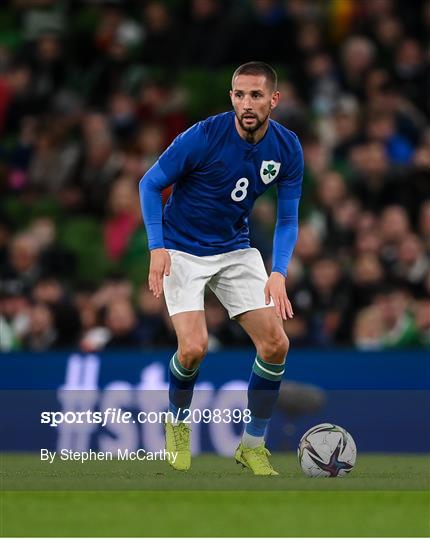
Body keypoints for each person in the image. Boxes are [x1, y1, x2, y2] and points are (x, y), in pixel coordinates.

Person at [139, 62, 303, 476]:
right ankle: (176, 422)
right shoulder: (203, 135)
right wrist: (157, 247)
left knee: (276, 344)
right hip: (182, 248)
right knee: (193, 348)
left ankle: (252, 445)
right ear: (231, 97)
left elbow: (286, 220)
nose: (246, 104)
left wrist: (278, 270)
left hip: (235, 248)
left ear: (274, 100)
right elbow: (149, 184)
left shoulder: (287, 148)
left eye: (256, 95)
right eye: (239, 95)